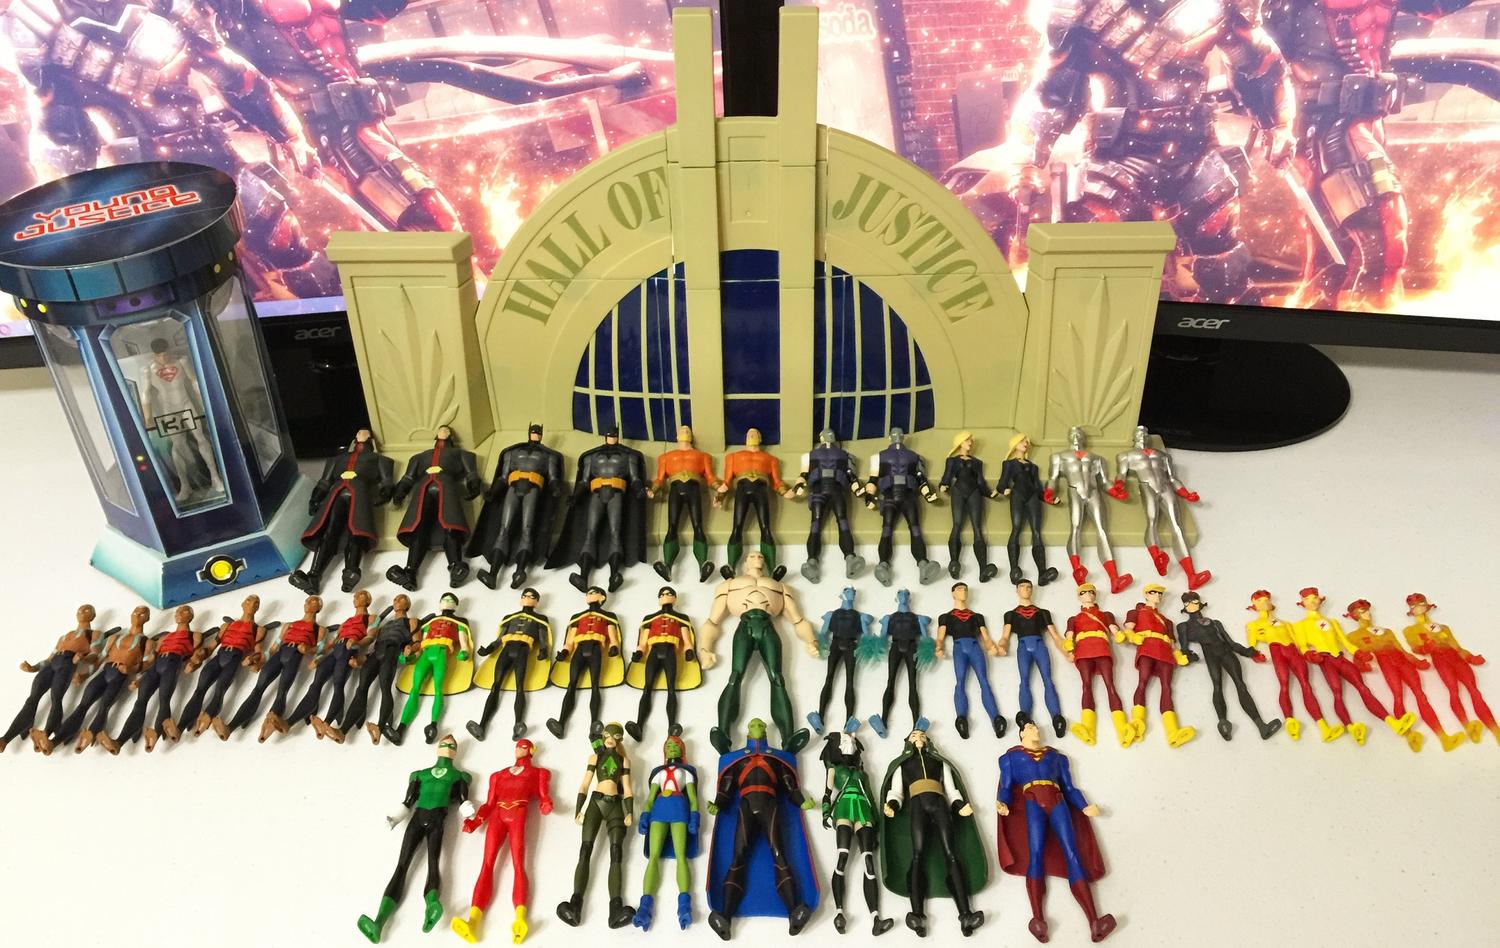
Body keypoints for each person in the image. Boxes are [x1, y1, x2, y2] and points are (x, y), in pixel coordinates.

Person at [557, 723, 636, 929]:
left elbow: (627, 788)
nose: (610, 738)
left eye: (615, 736)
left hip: (615, 805)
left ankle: (615, 908)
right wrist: (578, 809)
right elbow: (584, 784)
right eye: (607, 734)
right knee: (585, 850)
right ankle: (575, 904)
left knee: (616, 854)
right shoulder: (595, 757)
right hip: (596, 802)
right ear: (603, 736)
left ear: (620, 739)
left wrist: (629, 811)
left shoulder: (624, 760)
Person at [1178, 592, 1281, 741]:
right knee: (1217, 685)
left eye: (1194, 601)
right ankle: (1223, 723)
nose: (1191, 605)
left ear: (1200, 602)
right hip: (1211, 656)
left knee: (1240, 685)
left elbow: (1231, 643)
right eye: (1187, 603)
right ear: (1184, 606)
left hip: (1227, 653)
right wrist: (1189, 656)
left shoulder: (1215, 623)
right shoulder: (1184, 626)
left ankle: (1261, 726)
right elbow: (1184, 648)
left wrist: (1246, 651)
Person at [1001, 580, 1069, 738]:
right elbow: (1005, 636)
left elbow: (1055, 636)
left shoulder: (1042, 612)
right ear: (1017, 590)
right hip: (1023, 646)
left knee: (1048, 679)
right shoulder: (1010, 614)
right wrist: (1002, 645)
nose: (1026, 590)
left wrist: (1066, 652)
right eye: (1022, 587)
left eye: (1028, 587)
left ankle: (1057, 718)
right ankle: (1025, 721)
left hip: (1039, 645)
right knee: (1024, 680)